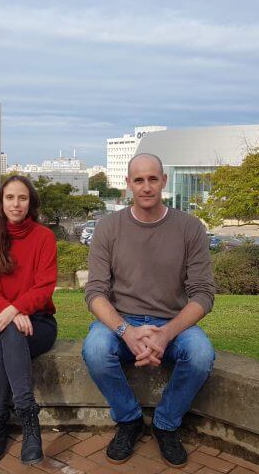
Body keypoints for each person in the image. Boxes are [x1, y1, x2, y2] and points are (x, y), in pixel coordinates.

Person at [82, 153, 215, 467]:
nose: (146, 187)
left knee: (200, 355)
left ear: (164, 182)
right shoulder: (108, 228)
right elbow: (95, 293)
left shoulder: (189, 228)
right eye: (138, 180)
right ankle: (129, 420)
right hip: (122, 320)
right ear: (128, 184)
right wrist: (127, 333)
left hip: (172, 321)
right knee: (96, 348)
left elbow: (203, 294)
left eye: (152, 179)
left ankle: (166, 423)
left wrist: (166, 334)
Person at [0, 175, 58, 466]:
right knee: (8, 332)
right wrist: (10, 312)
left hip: (39, 323)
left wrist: (15, 311)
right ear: (1, 202)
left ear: (30, 202)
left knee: (1, 348)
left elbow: (44, 286)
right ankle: (29, 423)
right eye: (10, 197)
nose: (16, 203)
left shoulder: (44, 237)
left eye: (22, 198)